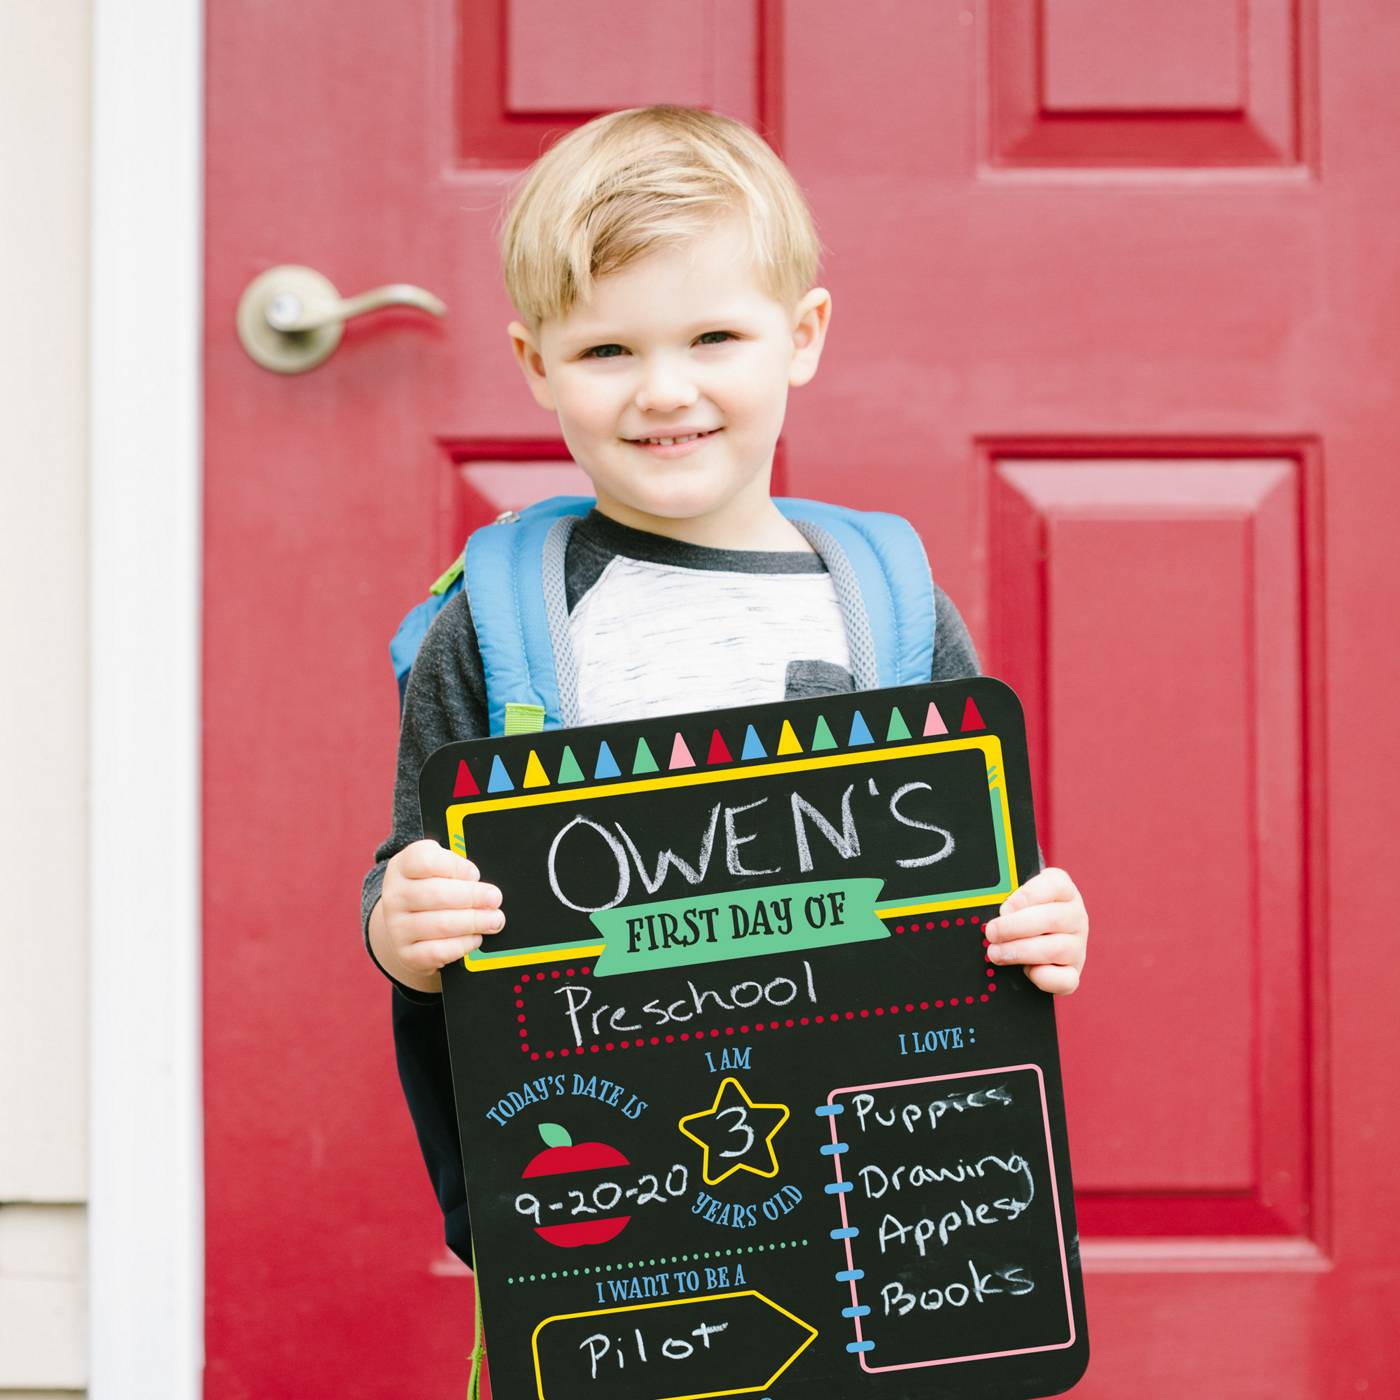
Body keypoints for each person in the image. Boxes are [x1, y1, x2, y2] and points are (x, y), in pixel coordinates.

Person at [361, 104, 1090, 1276]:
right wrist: (401, 928)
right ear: (533, 362)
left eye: (712, 337)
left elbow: (976, 892)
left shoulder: (886, 605)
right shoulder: (495, 626)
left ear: (800, 335)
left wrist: (1039, 925)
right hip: (616, 1224)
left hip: (876, 1203)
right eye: (607, 350)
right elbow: (410, 876)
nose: (662, 390)